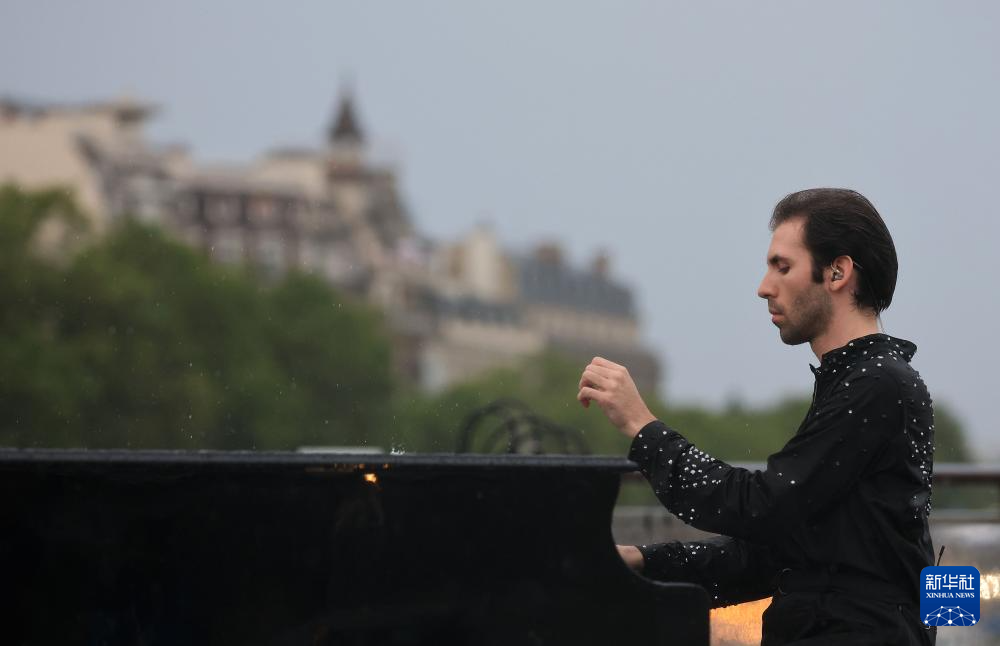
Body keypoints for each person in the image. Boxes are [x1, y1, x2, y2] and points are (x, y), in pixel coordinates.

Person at [578, 188, 936, 645]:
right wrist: (645, 560)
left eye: (782, 267)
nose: (764, 287)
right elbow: (777, 556)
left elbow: (760, 507)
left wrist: (641, 426)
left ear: (838, 272)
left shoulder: (877, 385)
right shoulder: (862, 381)